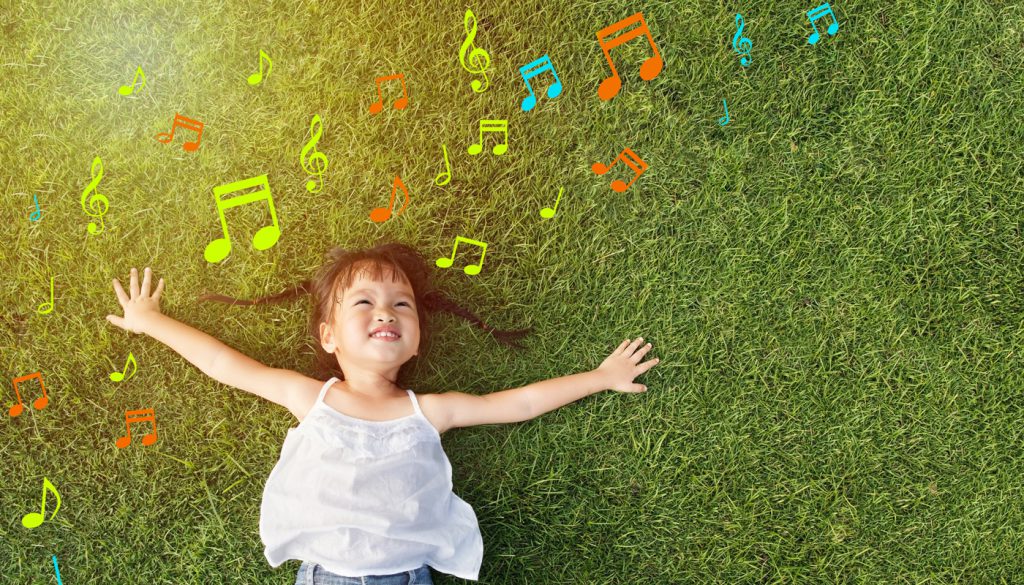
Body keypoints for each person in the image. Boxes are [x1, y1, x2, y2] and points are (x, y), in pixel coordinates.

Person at [106, 242, 660, 584]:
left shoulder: (429, 411)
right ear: (329, 337)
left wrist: (599, 378)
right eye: (363, 302)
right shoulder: (312, 398)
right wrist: (150, 321)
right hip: (326, 578)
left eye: (401, 305)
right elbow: (226, 365)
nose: (385, 312)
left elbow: (517, 403)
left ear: (416, 342)